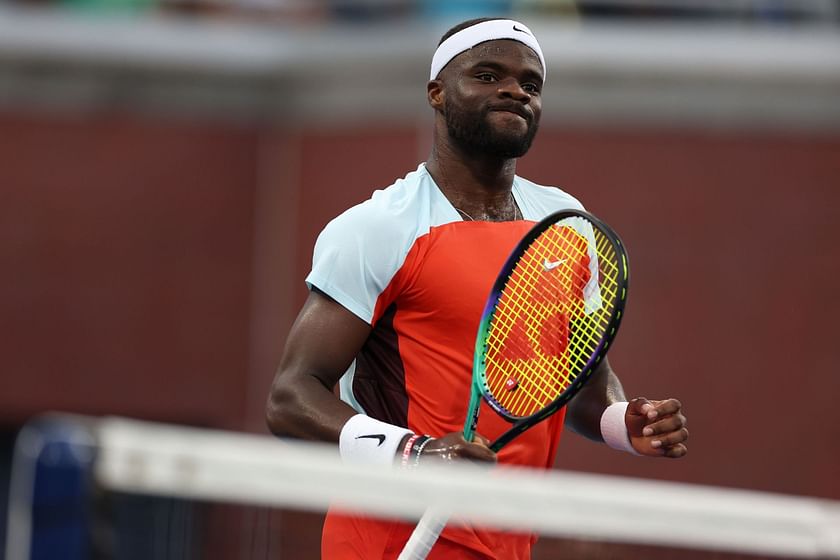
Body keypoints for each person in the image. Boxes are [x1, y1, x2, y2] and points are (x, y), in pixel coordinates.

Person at [266, 17, 689, 560]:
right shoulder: (377, 228)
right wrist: (413, 453)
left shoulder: (569, 224)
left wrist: (620, 422)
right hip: (387, 540)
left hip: (510, 543)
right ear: (437, 93)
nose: (514, 90)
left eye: (530, 85)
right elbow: (290, 398)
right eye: (488, 75)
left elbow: (580, 383)